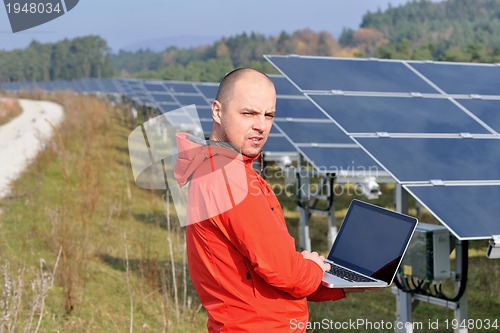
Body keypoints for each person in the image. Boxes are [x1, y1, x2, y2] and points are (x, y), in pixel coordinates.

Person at [174, 68, 354, 332]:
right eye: (248, 113)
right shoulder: (230, 179)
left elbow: (264, 265)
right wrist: (313, 268)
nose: (261, 125)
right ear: (217, 111)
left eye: (268, 115)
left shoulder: (212, 167)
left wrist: (324, 276)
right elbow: (285, 272)